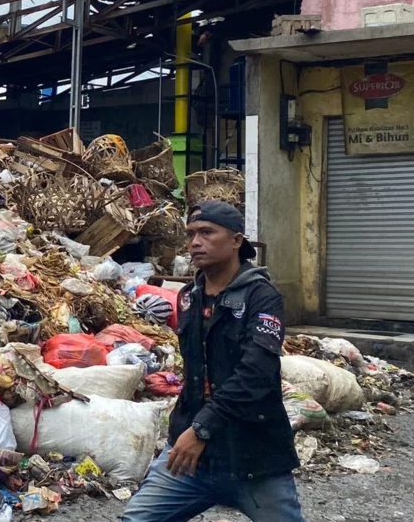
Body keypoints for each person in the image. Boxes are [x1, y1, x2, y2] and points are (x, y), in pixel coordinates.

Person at [121, 200, 303, 522]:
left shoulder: (261, 297)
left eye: (207, 232)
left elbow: (256, 374)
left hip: (253, 458)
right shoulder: (188, 297)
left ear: (236, 241)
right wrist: (188, 430)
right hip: (190, 457)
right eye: (191, 234)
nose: (194, 242)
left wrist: (202, 429)